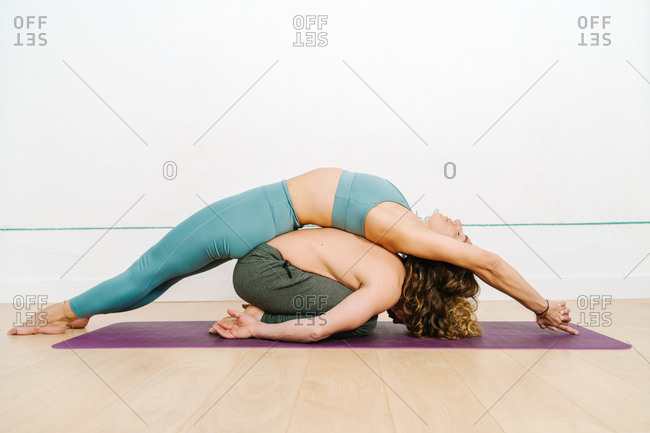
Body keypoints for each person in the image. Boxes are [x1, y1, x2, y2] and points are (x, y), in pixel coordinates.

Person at [7, 167, 576, 337]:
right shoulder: (399, 222)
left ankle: (63, 312)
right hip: (257, 224)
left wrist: (541, 305)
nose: (462, 227)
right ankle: (74, 313)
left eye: (462, 238)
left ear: (441, 250)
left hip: (250, 223)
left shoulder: (407, 236)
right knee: (152, 280)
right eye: (464, 232)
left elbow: (489, 264)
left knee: (150, 274)